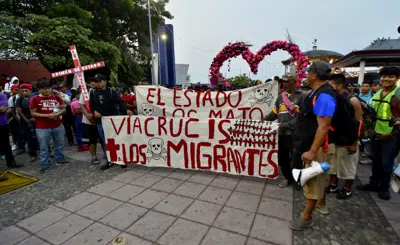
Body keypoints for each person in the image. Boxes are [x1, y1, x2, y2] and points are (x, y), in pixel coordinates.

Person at [290, 61, 335, 231]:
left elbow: (323, 127)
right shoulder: (316, 93)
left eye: (308, 72)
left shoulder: (323, 96)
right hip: (311, 144)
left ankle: (306, 217)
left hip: (318, 148)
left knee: (313, 181)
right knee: (314, 180)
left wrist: (312, 151)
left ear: (315, 74)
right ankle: (319, 204)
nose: (306, 74)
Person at [358, 66, 400, 200]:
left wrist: (391, 133)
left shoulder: (398, 94)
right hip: (376, 133)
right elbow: (371, 112)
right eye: (384, 76)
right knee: (375, 160)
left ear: (397, 78)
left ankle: (384, 188)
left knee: (386, 163)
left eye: (391, 76)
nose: (386, 79)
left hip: (392, 135)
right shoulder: (377, 93)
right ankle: (374, 183)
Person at [265, 73, 306, 188]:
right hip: (282, 134)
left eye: (287, 81)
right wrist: (263, 120)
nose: (284, 83)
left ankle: (297, 181)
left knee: (297, 159)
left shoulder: (302, 96)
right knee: (282, 159)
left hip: (296, 134)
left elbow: (302, 118)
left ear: (294, 81)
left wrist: (286, 124)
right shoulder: (280, 97)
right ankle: (288, 178)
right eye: (283, 81)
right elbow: (274, 113)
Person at [327, 74, 363, 199]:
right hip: (334, 139)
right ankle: (333, 185)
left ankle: (347, 189)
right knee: (333, 164)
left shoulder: (352, 100)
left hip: (348, 140)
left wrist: (354, 142)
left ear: (339, 85)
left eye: (330, 84)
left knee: (348, 166)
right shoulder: (332, 98)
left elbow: (359, 122)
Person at [89, 74, 132, 170]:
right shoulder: (92, 92)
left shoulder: (111, 91)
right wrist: (94, 111)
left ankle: (120, 159)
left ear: (104, 81)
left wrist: (126, 110)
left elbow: (120, 102)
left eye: (99, 81)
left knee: (117, 140)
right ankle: (110, 160)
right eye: (95, 82)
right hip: (101, 122)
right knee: (105, 141)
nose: (97, 84)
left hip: (112, 121)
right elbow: (91, 106)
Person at [30, 81, 71, 173]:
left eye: (49, 88)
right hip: (42, 127)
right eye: (45, 88)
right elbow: (33, 113)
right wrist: (48, 116)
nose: (48, 90)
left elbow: (63, 108)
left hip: (58, 125)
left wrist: (57, 114)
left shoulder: (56, 97)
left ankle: (60, 159)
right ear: (39, 89)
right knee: (44, 146)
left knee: (59, 144)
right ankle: (45, 164)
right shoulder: (35, 99)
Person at [81, 80, 106, 165]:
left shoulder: (105, 91)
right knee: (91, 141)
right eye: (93, 81)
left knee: (103, 139)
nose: (94, 83)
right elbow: (82, 105)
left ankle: (106, 154)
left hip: (101, 120)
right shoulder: (85, 92)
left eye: (96, 81)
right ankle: (94, 157)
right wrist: (87, 114)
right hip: (88, 121)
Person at [16, 84, 38, 162]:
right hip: (26, 121)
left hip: (37, 119)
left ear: (30, 91)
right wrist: (27, 121)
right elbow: (19, 112)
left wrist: (34, 118)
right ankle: (33, 154)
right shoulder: (19, 99)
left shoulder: (35, 98)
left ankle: (47, 151)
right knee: (29, 138)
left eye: (26, 91)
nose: (24, 92)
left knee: (40, 135)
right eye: (23, 91)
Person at [0, 91, 22, 169]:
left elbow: (3, 109)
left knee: (6, 145)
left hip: (2, 124)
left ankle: (10, 163)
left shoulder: (1, 95)